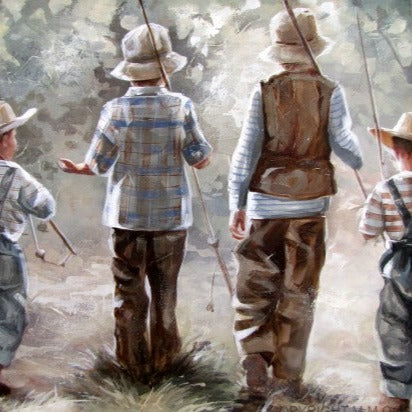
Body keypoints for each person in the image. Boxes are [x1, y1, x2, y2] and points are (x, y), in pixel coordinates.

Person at [59, 23, 212, 383]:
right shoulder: (181, 106)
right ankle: (166, 364)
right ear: (165, 68)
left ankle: (131, 366)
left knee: (128, 293)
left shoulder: (115, 109)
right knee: (165, 294)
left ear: (131, 70)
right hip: (171, 220)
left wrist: (77, 168)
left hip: (126, 218)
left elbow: (97, 164)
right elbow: (200, 158)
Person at [228, 8, 363, 395]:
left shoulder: (264, 90)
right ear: (313, 48)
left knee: (255, 285)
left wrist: (238, 203)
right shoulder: (330, 91)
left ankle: (255, 353)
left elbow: (246, 153)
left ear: (280, 52)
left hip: (264, 204)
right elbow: (346, 148)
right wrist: (358, 158)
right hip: (310, 207)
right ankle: (287, 376)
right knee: (299, 292)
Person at [0, 101, 55, 394]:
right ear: (4, 140)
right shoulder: (15, 174)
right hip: (3, 253)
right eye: (14, 136)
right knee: (9, 311)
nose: (16, 142)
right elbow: (46, 207)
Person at [359, 113, 412, 412]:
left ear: (398, 152)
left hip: (400, 275)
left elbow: (368, 231)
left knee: (394, 330)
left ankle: (395, 396)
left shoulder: (385, 189)